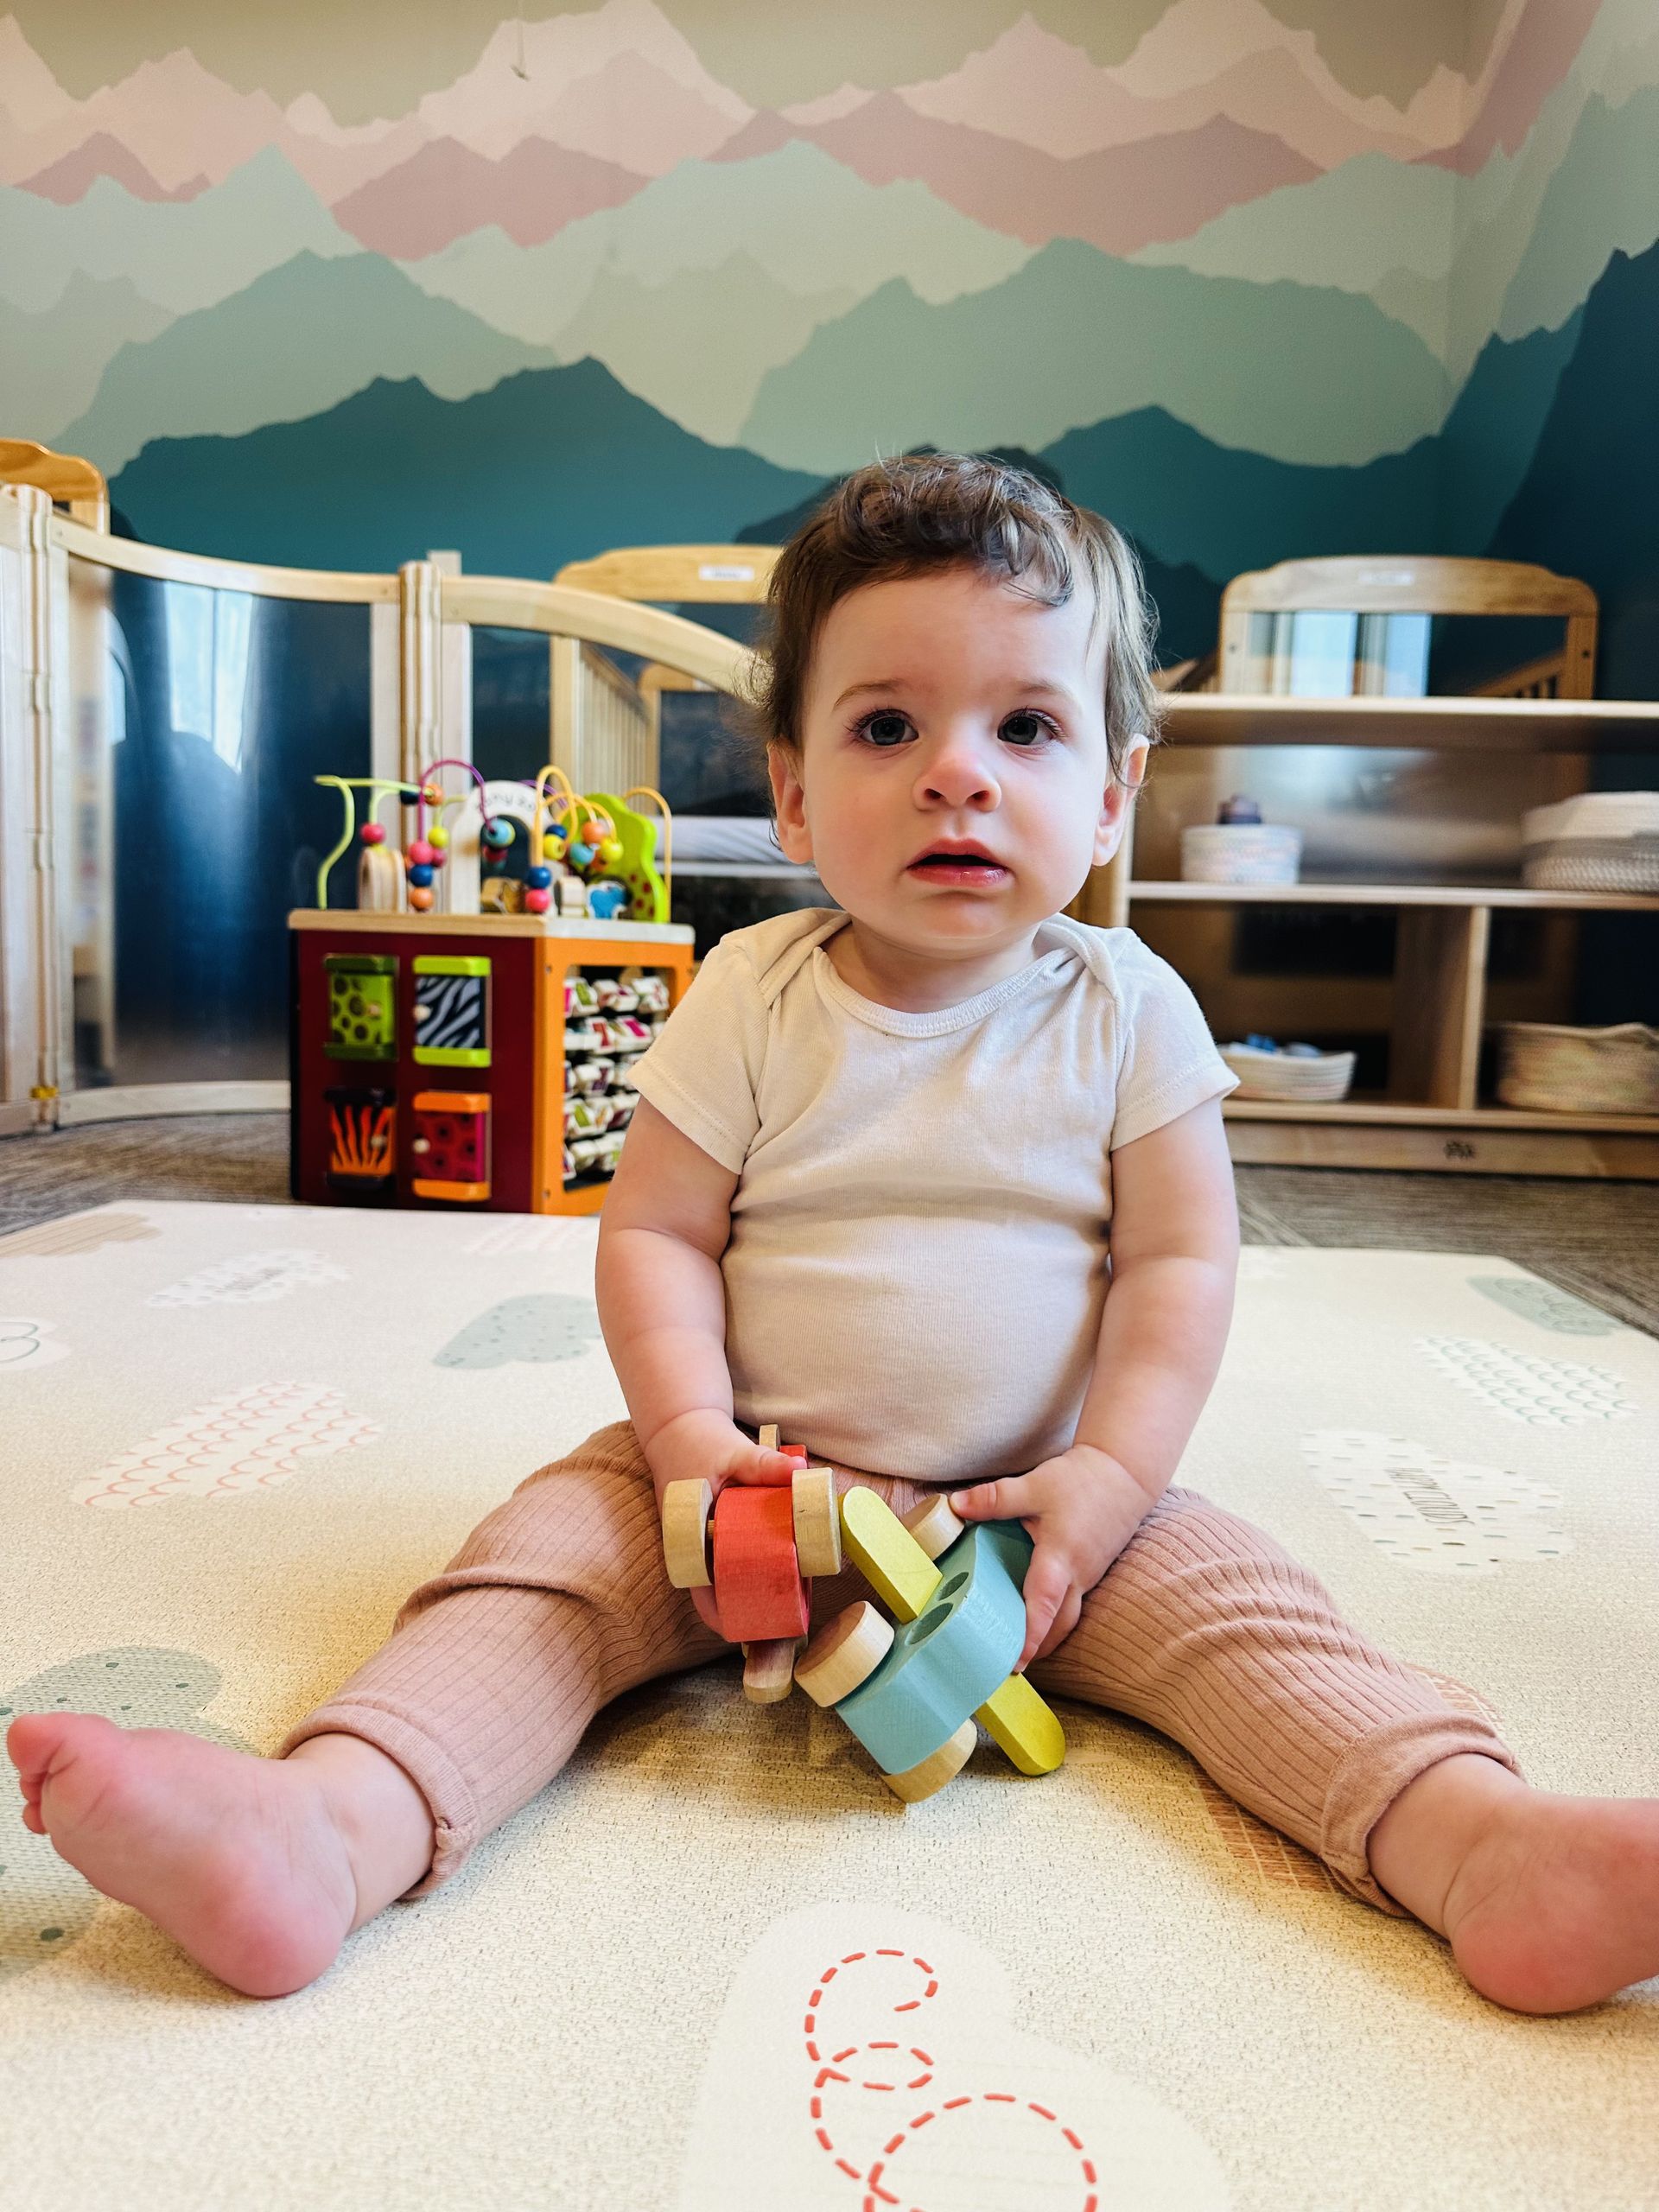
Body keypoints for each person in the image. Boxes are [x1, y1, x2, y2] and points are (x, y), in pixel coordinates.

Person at [9, 455, 1657, 2013]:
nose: (959, 770)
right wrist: (684, 1441)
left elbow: (1182, 1267)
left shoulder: (1131, 1009)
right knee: (534, 1583)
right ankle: (327, 1827)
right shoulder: (751, 994)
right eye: (888, 726)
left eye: (1026, 725)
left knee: (1259, 1626)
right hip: (745, 1488)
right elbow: (652, 1234)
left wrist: (1112, 1480)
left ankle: (1477, 1846)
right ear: (794, 793)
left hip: (1045, 1510)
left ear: (1109, 797)